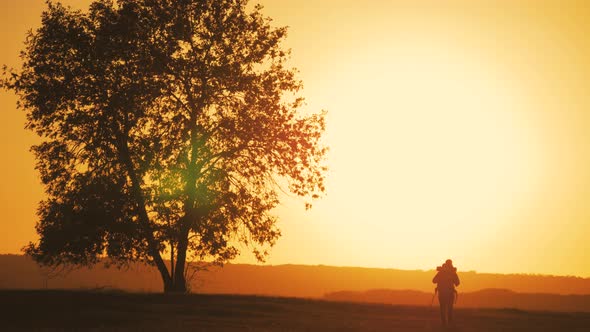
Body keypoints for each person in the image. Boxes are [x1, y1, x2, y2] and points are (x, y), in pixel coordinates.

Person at [432, 259, 460, 327]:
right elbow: (457, 283)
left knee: (442, 308)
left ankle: (444, 323)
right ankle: (449, 323)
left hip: (442, 293)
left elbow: (433, 281)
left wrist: (441, 280)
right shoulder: (453, 273)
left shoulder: (441, 272)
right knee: (450, 308)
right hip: (450, 293)